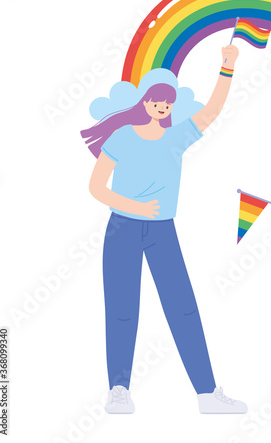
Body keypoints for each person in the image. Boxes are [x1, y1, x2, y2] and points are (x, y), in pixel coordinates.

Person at [81, 45, 247, 414]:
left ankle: (206, 393)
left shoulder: (176, 138)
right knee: (122, 309)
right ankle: (118, 390)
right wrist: (134, 206)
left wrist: (227, 67)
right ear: (145, 101)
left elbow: (212, 111)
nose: (163, 106)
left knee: (183, 308)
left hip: (162, 232)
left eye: (168, 102)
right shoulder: (122, 138)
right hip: (122, 228)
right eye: (157, 100)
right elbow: (96, 187)